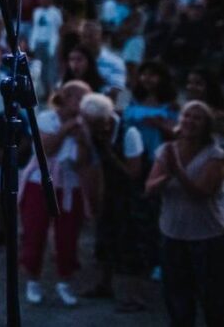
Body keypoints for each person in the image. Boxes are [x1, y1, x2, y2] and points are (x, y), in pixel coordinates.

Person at [146, 100, 224, 326]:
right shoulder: (167, 150)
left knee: (213, 300)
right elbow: (149, 188)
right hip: (172, 235)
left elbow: (202, 192)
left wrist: (177, 170)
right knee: (177, 299)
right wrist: (167, 175)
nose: (190, 121)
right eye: (187, 116)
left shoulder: (216, 156)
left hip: (207, 237)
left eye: (197, 117)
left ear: (206, 125)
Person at [20, 80, 93, 307]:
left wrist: (83, 140)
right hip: (40, 182)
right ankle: (33, 280)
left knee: (68, 235)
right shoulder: (45, 118)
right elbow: (45, 150)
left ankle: (65, 282)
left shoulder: (85, 124)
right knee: (35, 231)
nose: (83, 105)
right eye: (80, 98)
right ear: (67, 98)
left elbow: (82, 162)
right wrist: (66, 129)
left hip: (70, 185)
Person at [80, 92, 151, 312]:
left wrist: (110, 153)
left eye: (92, 123)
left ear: (104, 120)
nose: (88, 127)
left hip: (133, 196)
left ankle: (136, 296)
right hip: (111, 192)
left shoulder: (129, 133)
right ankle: (105, 284)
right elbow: (98, 167)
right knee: (105, 238)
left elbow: (134, 173)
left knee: (132, 244)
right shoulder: (95, 132)